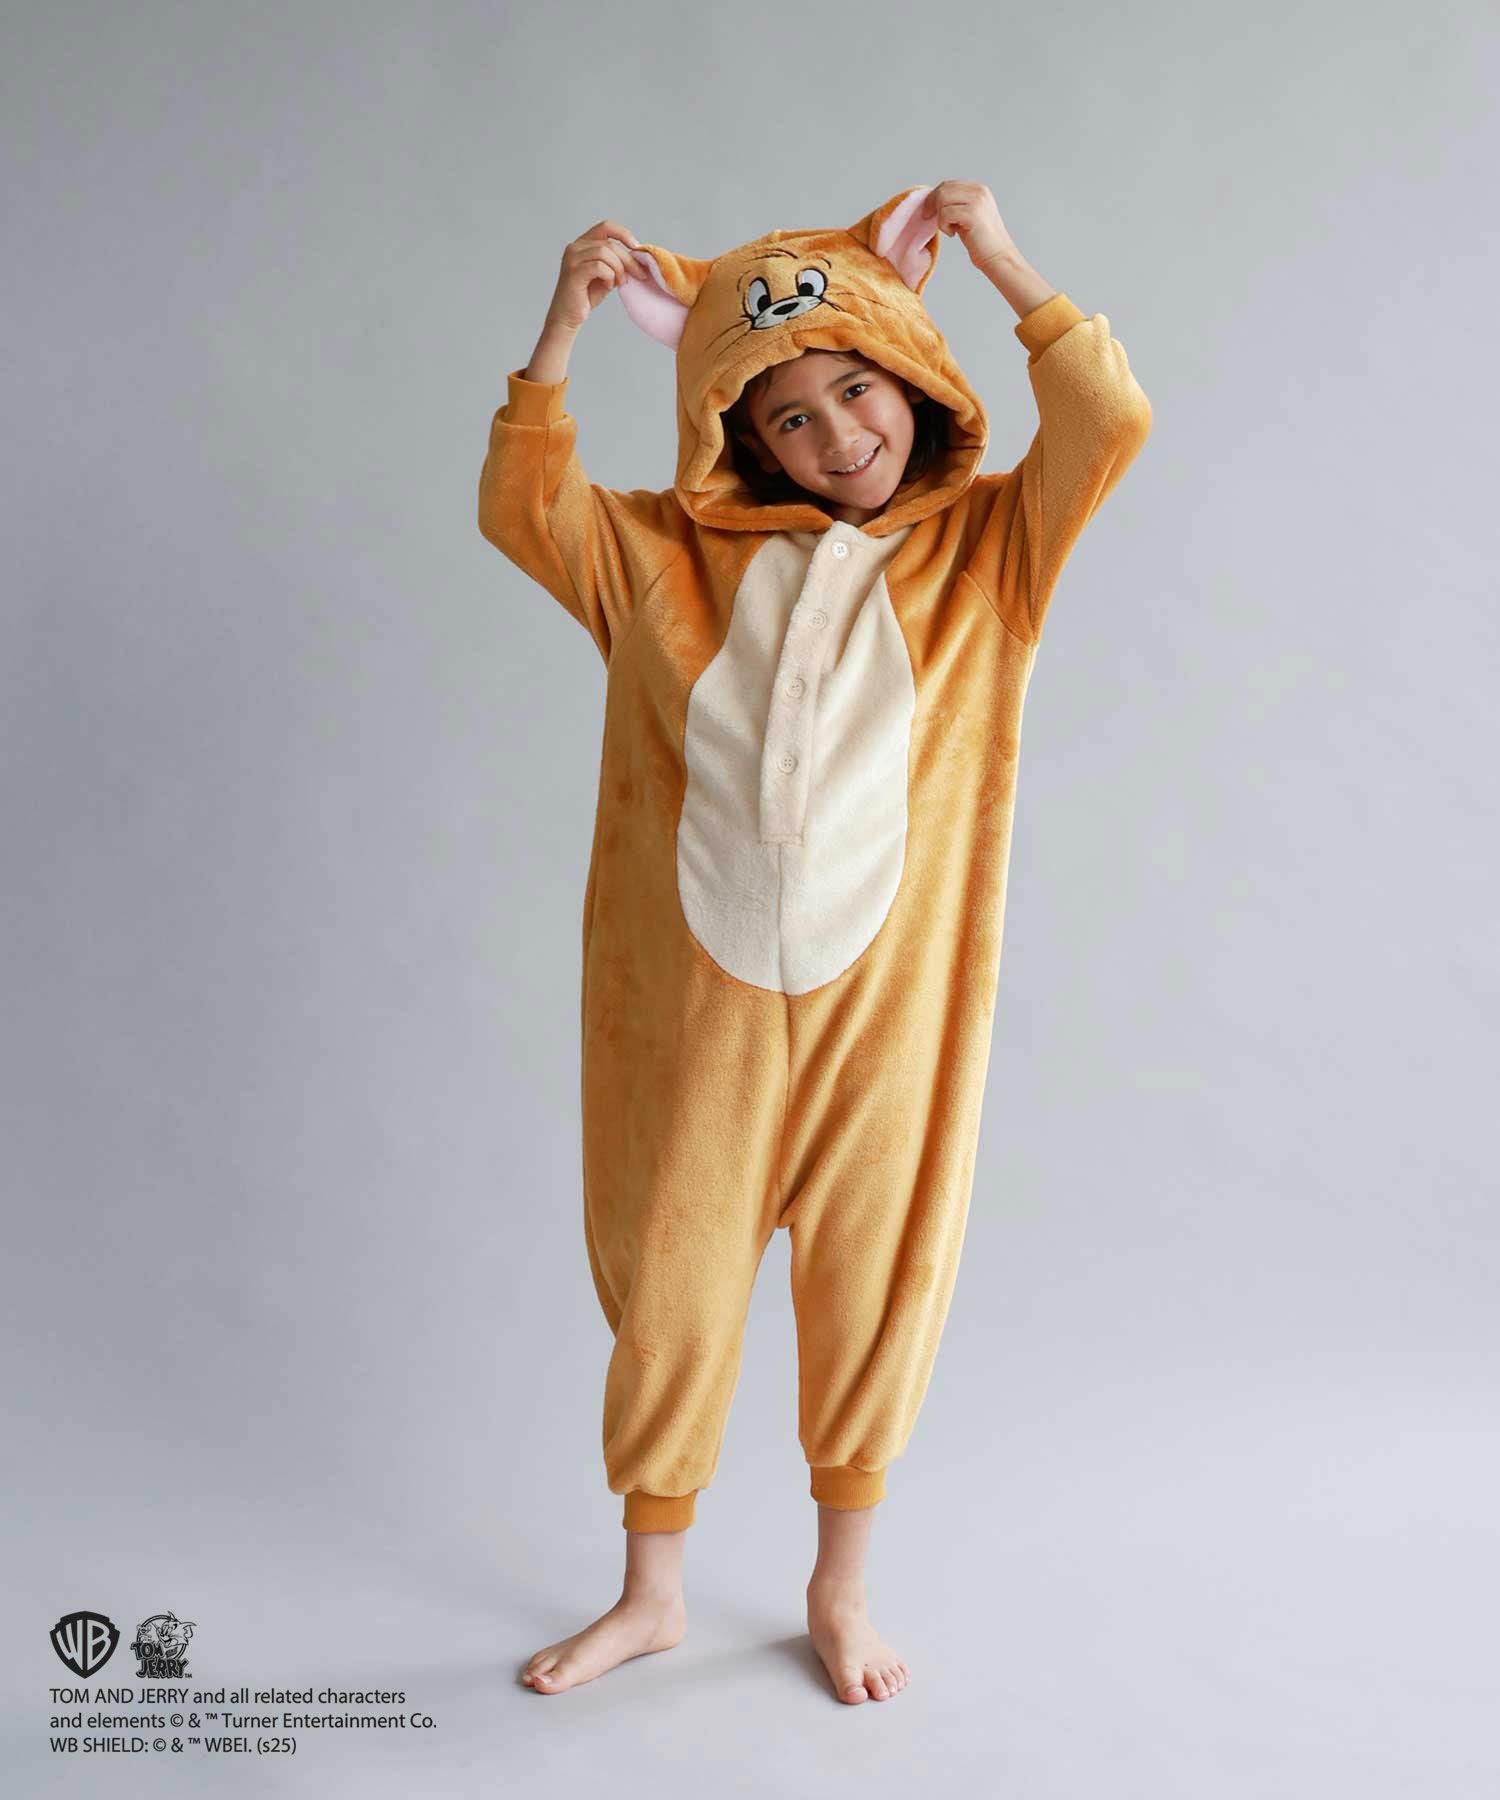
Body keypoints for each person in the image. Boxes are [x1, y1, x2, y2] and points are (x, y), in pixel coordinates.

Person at [477, 180, 1152, 1704]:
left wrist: (999, 258)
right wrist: (562, 331)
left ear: (913, 374)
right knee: (672, 1282)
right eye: (788, 416)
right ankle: (650, 1595)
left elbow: (1108, 419)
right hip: (695, 1010)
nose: (838, 433)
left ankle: (839, 1590)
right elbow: (524, 506)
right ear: (742, 439)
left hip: (888, 1010)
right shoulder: (663, 559)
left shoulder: (992, 552)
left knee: (872, 1278)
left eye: (859, 387)